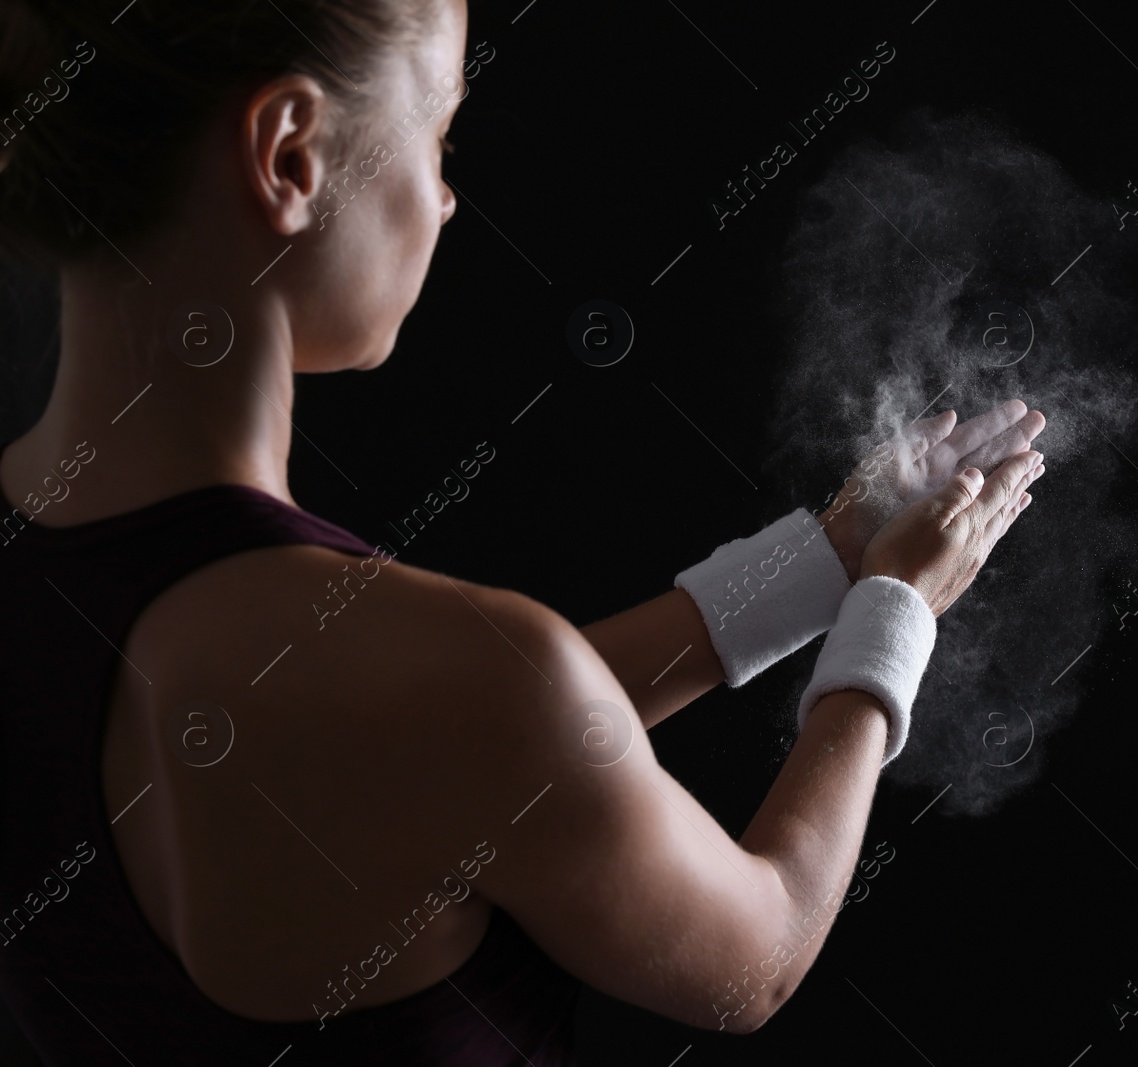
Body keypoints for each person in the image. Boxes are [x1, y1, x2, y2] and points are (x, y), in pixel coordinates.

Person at [0, 1, 1046, 1063]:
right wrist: (893, 617)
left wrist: (817, 563)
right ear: (289, 155)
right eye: (439, 135)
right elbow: (755, 955)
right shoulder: (435, 679)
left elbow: (454, 742)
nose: (449, 199)